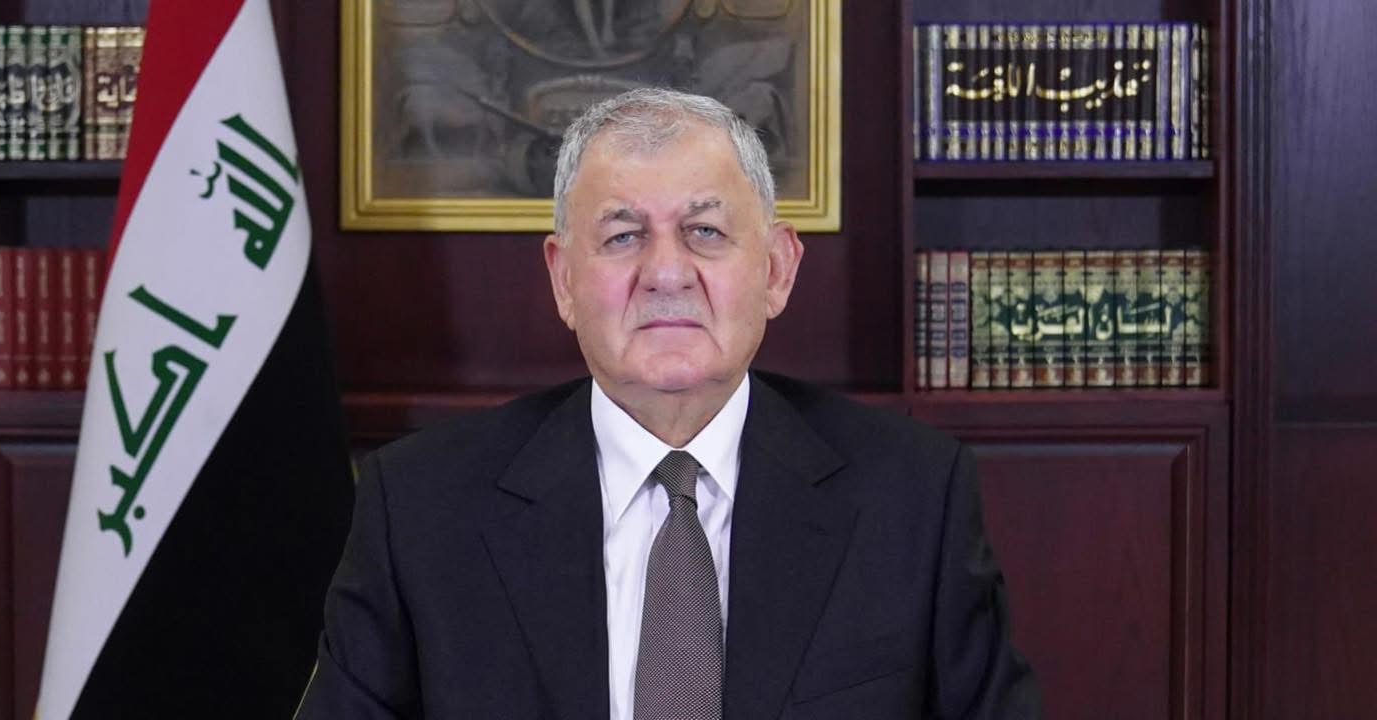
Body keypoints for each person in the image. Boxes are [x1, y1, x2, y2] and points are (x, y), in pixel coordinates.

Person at [296, 88, 1042, 719]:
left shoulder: (912, 495)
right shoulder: (420, 506)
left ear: (777, 270)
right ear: (563, 280)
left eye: (704, 231)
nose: (665, 272)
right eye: (623, 236)